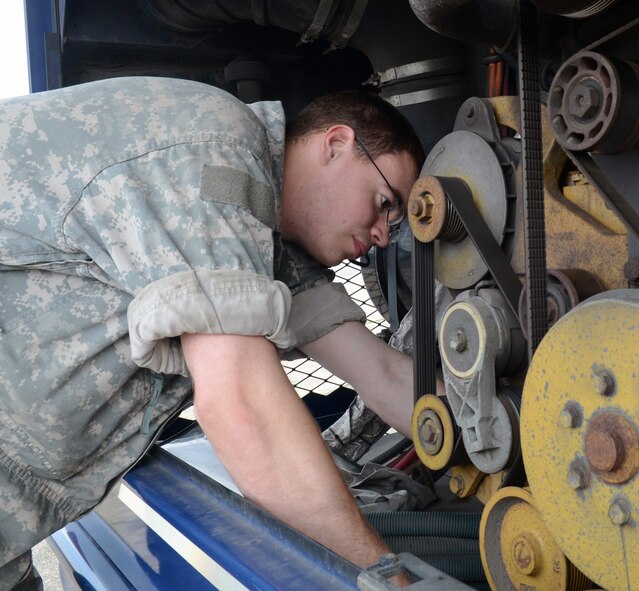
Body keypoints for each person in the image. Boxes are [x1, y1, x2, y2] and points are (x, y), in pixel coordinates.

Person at [0, 76, 426, 588]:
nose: (383, 235)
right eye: (384, 201)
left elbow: (379, 371)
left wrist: (496, 443)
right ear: (335, 144)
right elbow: (241, 405)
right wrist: (382, 574)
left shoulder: (269, 241)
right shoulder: (215, 149)